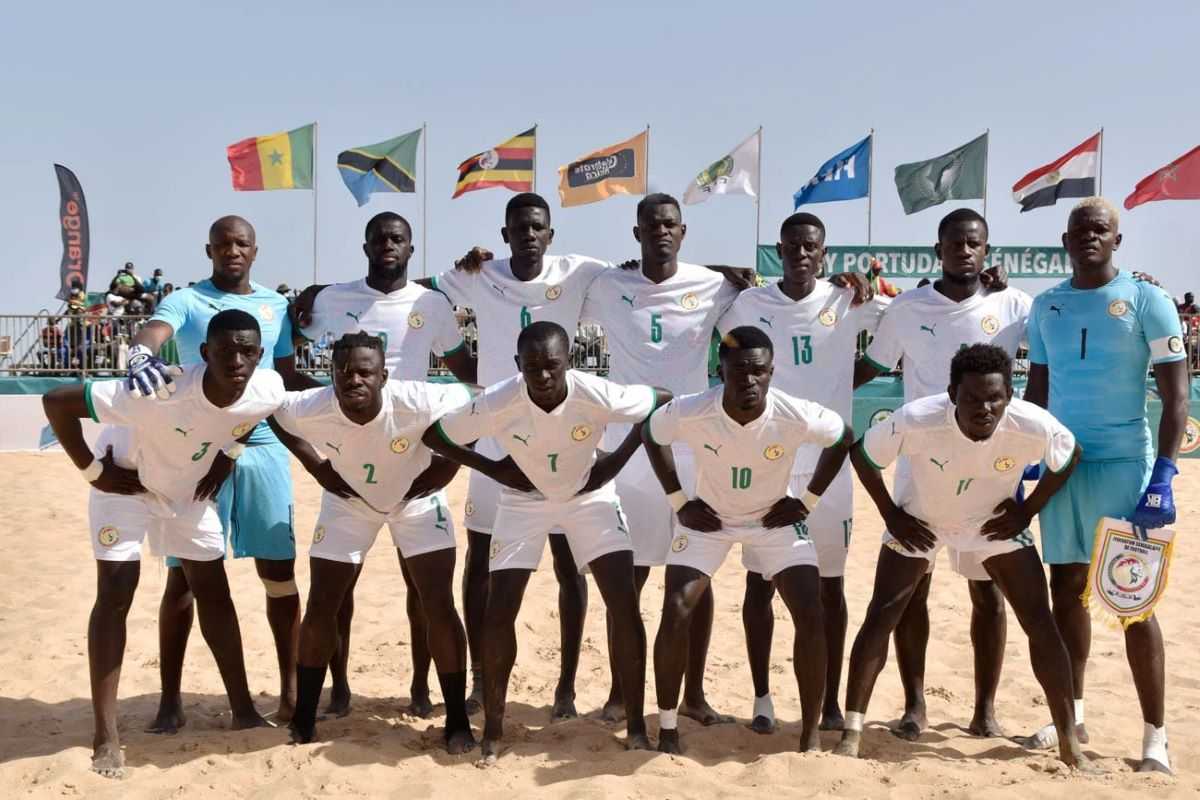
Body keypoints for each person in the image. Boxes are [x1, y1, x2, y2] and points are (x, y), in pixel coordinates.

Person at [41, 309, 282, 778]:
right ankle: (105, 736)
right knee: (115, 594)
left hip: (188, 493)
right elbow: (56, 402)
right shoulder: (157, 392)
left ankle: (243, 709)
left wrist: (228, 457)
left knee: (214, 591)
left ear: (259, 354)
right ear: (205, 353)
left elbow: (254, 416)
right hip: (125, 487)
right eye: (226, 351)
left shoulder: (266, 387)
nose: (237, 360)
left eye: (248, 351)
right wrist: (93, 471)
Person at [424, 321, 671, 766]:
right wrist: (494, 469)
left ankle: (635, 725)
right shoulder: (500, 399)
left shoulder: (596, 392)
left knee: (623, 603)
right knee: (500, 609)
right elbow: (436, 435)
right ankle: (495, 731)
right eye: (532, 367)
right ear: (518, 365)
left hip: (589, 497)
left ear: (569, 362)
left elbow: (660, 400)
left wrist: (610, 465)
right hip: (524, 501)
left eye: (552, 366)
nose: (542, 376)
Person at [835, 344, 1089, 769]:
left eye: (995, 397)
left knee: (1039, 623)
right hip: (922, 520)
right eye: (972, 397)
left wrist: (1026, 511)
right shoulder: (918, 418)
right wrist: (891, 514)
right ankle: (852, 732)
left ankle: (1069, 743)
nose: (984, 407)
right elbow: (862, 455)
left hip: (992, 526)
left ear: (1010, 393)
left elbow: (1070, 456)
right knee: (882, 615)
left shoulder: (1030, 422)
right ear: (953, 393)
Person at [126, 215, 327, 731]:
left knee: (278, 574)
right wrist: (139, 351)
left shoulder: (276, 306)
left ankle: (288, 694)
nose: (231, 251)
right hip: (195, 449)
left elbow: (283, 378)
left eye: (241, 244)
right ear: (208, 249)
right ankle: (170, 701)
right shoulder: (188, 300)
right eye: (222, 244)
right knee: (184, 581)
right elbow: (156, 329)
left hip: (260, 445)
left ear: (255, 251)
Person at [1022, 197, 1189, 774]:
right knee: (1065, 590)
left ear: (1117, 240)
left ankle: (1155, 737)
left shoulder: (1150, 300)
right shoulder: (1046, 306)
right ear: (1064, 241)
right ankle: (1073, 714)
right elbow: (1035, 397)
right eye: (1079, 230)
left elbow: (1177, 399)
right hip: (1062, 468)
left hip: (1124, 468)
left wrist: (1163, 476)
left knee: (1134, 602)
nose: (1090, 237)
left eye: (1101, 229)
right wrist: (1022, 464)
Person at [852, 208, 1031, 740]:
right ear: (939, 249)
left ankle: (985, 710)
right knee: (912, 590)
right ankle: (914, 705)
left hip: (990, 472)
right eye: (956, 243)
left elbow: (1052, 359)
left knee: (987, 592)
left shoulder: (1015, 305)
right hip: (920, 470)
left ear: (987, 251)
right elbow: (872, 367)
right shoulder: (907, 309)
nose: (965, 251)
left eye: (975, 243)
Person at [291, 211, 478, 719]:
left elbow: (467, 376)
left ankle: (421, 685)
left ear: (411, 249)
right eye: (379, 238)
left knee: (423, 589)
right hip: (351, 453)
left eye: (398, 239)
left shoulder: (430, 304)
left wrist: (447, 457)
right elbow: (288, 358)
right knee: (338, 589)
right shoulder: (331, 299)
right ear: (365, 245)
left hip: (413, 452)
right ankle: (339, 687)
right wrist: (331, 406)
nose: (388, 245)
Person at [643, 325, 854, 754]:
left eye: (758, 371)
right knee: (677, 606)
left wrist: (808, 500)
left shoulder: (795, 413)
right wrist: (679, 500)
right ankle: (667, 728)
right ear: (720, 369)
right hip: (709, 519)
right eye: (738, 370)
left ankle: (810, 734)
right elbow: (651, 432)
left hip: (774, 520)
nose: (749, 380)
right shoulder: (692, 409)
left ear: (772, 372)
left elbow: (844, 437)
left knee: (811, 611)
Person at [716, 213, 885, 732]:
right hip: (769, 461)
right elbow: (701, 307)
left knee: (830, 586)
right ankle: (763, 699)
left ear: (824, 253)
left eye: (811, 246)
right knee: (759, 583)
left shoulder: (847, 301)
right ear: (780, 250)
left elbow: (893, 335)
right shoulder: (749, 304)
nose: (801, 254)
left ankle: (829, 700)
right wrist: (726, 268)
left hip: (828, 465)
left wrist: (837, 385)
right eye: (792, 246)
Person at [578, 192, 743, 726]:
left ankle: (693, 694)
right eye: (652, 226)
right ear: (637, 234)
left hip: (693, 452)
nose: (661, 232)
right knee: (628, 580)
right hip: (628, 453)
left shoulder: (713, 286)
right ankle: (621, 692)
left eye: (670, 225)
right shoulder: (608, 286)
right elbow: (546, 293)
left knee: (696, 576)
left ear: (683, 231)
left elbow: (770, 301)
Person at [271, 332, 476, 751]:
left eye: (365, 372)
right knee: (322, 604)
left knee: (437, 604)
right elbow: (274, 413)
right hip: (348, 502)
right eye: (344, 372)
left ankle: (456, 721)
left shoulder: (418, 399)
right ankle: (306, 717)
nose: (354, 380)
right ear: (331, 375)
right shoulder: (312, 405)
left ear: (384, 375)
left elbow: (475, 406)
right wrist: (315, 467)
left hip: (415, 501)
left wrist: (448, 466)